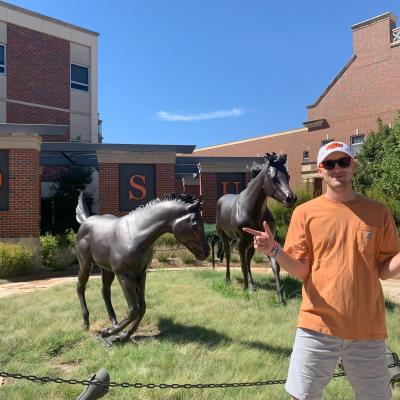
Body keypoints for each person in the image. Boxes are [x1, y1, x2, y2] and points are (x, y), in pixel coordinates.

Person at [243, 141, 400, 400]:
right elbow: (302, 270)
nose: (337, 168)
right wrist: (274, 249)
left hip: (367, 328)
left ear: (354, 165)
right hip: (316, 326)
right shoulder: (306, 213)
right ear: (320, 170)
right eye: (329, 164)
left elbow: (383, 270)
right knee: (301, 396)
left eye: (343, 162)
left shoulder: (378, 213)